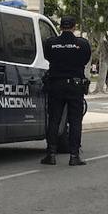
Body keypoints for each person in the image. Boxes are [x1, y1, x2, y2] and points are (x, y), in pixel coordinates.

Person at [40, 15, 92, 167]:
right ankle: (74, 156)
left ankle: (51, 154)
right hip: (75, 86)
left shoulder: (51, 43)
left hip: (55, 85)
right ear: (74, 27)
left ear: (61, 27)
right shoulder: (82, 44)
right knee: (75, 121)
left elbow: (48, 57)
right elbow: (85, 60)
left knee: (54, 120)